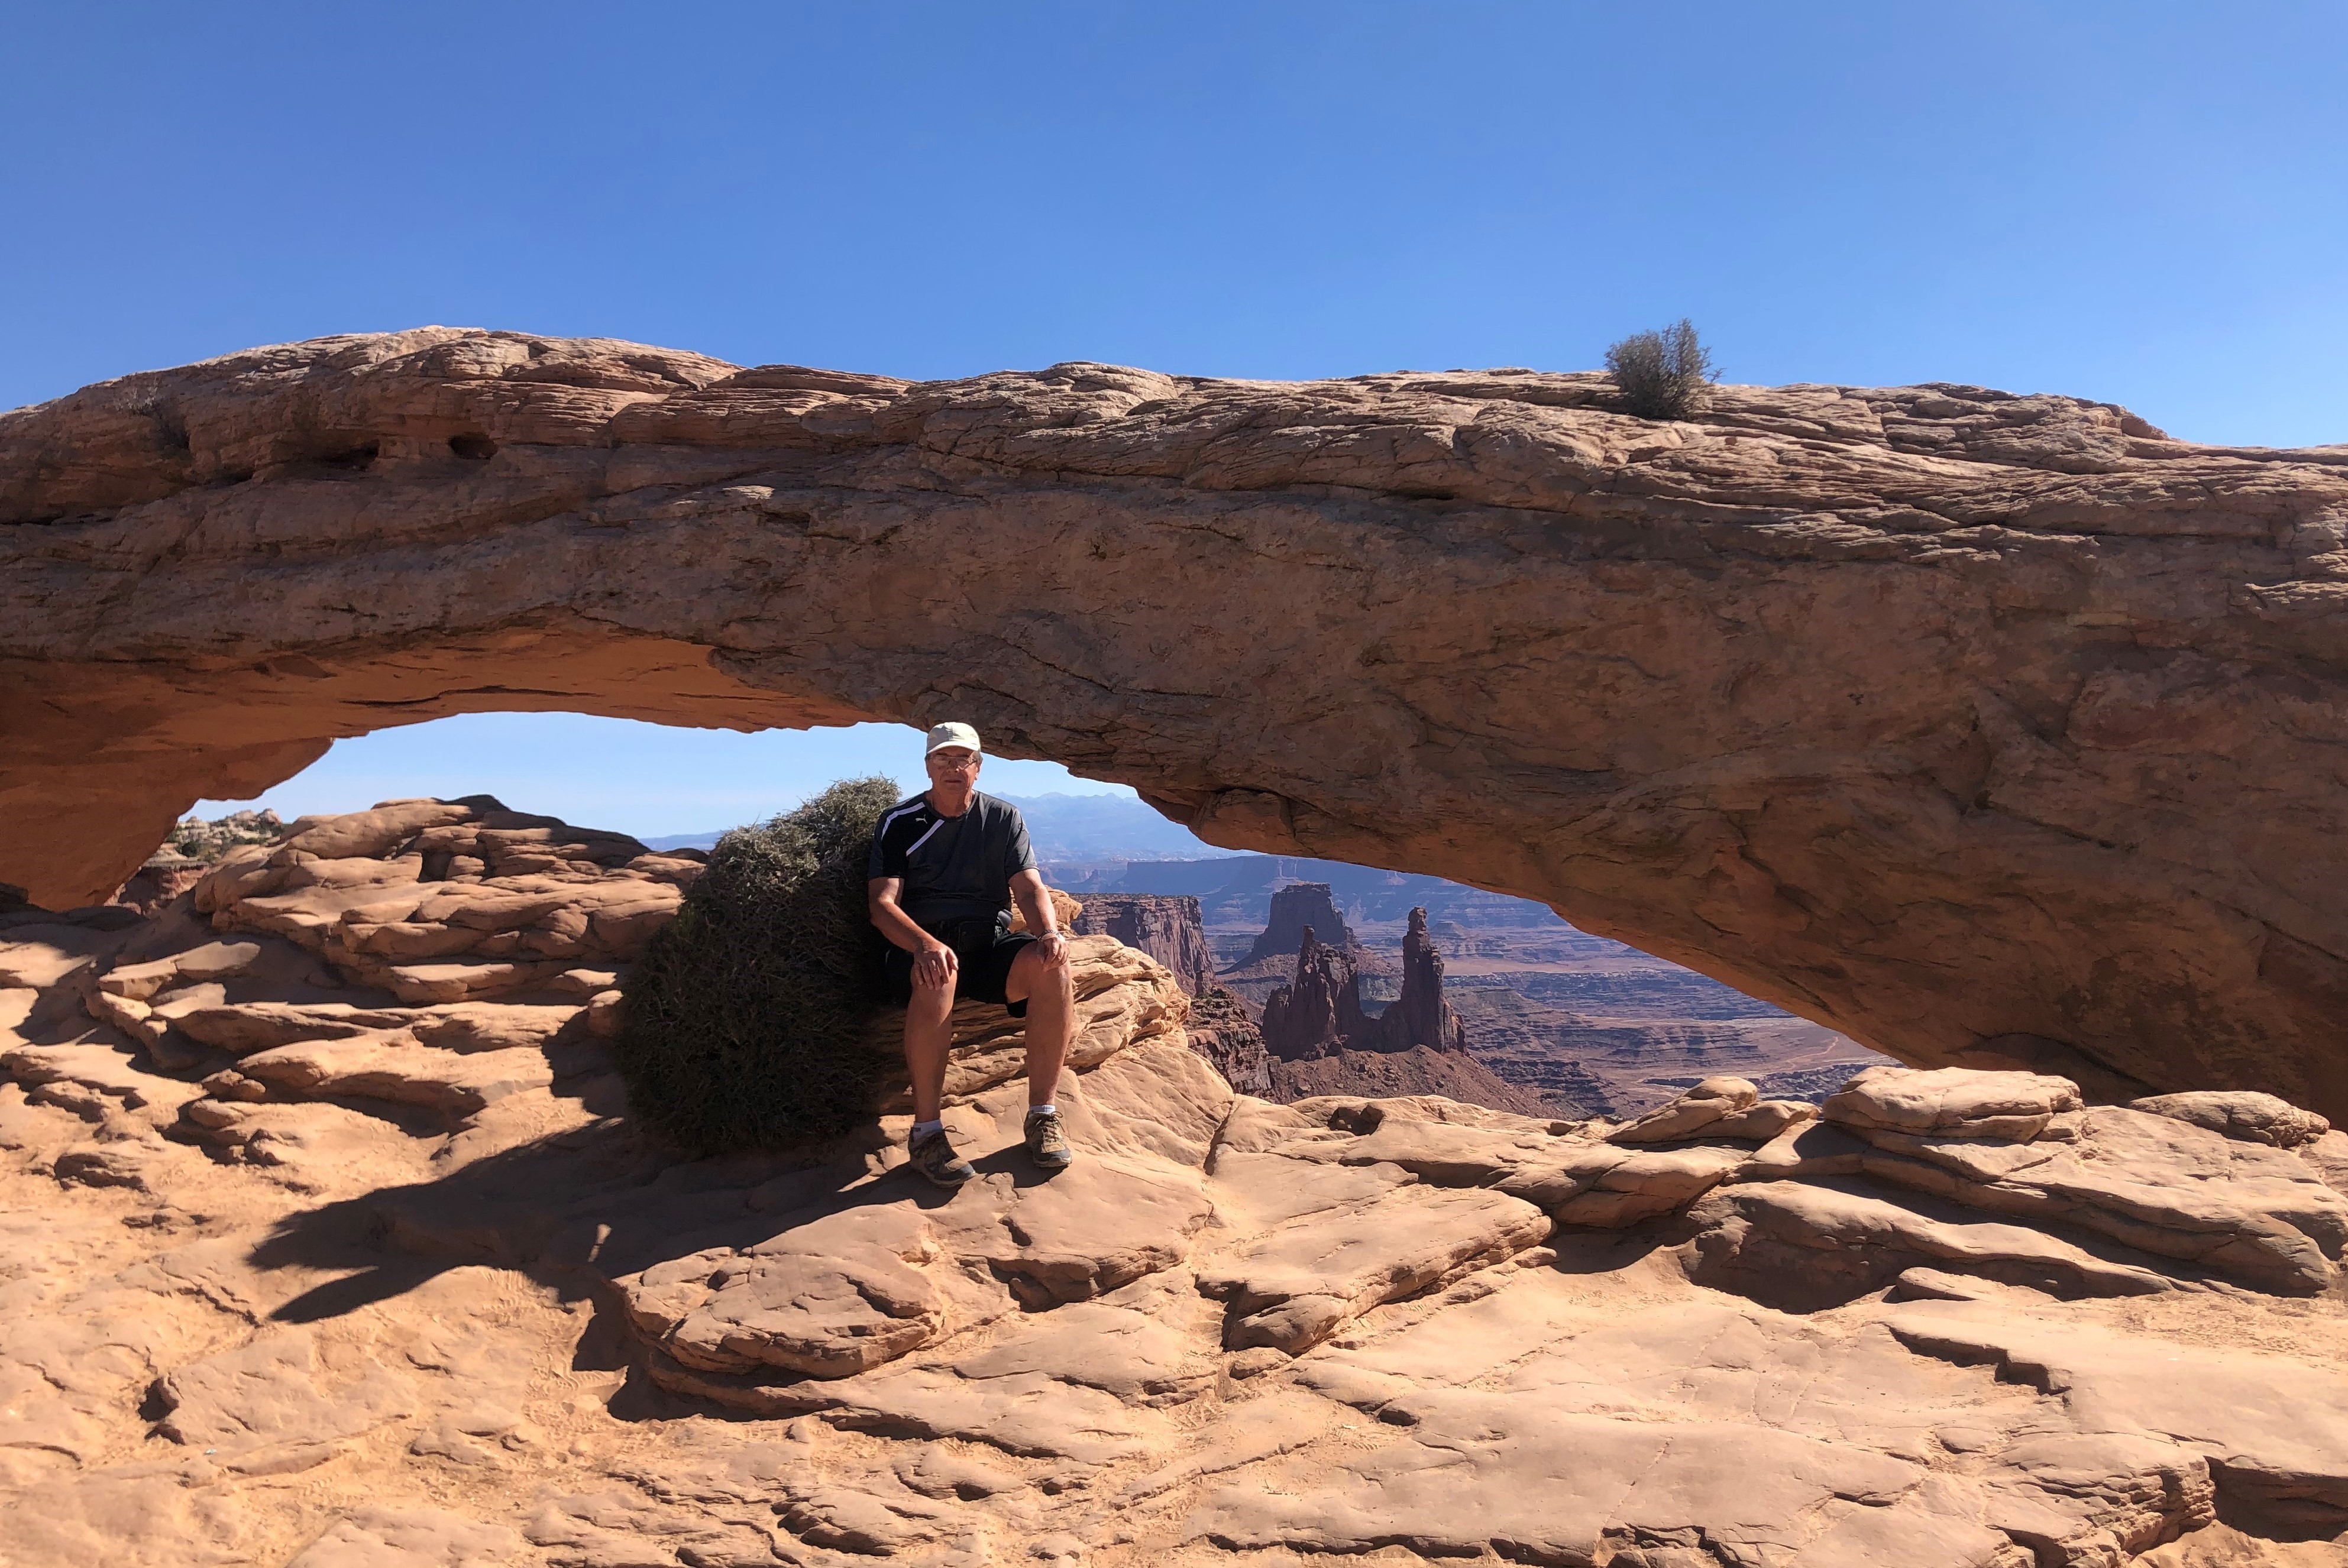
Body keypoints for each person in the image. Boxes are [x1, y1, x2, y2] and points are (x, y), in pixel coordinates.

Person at [867, 722, 1076, 1186]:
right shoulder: (900, 822)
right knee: (939, 972)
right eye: (943, 760)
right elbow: (882, 906)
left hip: (984, 946)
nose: (953, 768)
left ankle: (1042, 1115)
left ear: (978, 769)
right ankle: (926, 1134)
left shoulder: (1003, 819)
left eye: (963, 760)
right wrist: (924, 943)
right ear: (928, 767)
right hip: (919, 947)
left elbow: (1029, 886)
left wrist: (1049, 933)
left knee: (1054, 967)